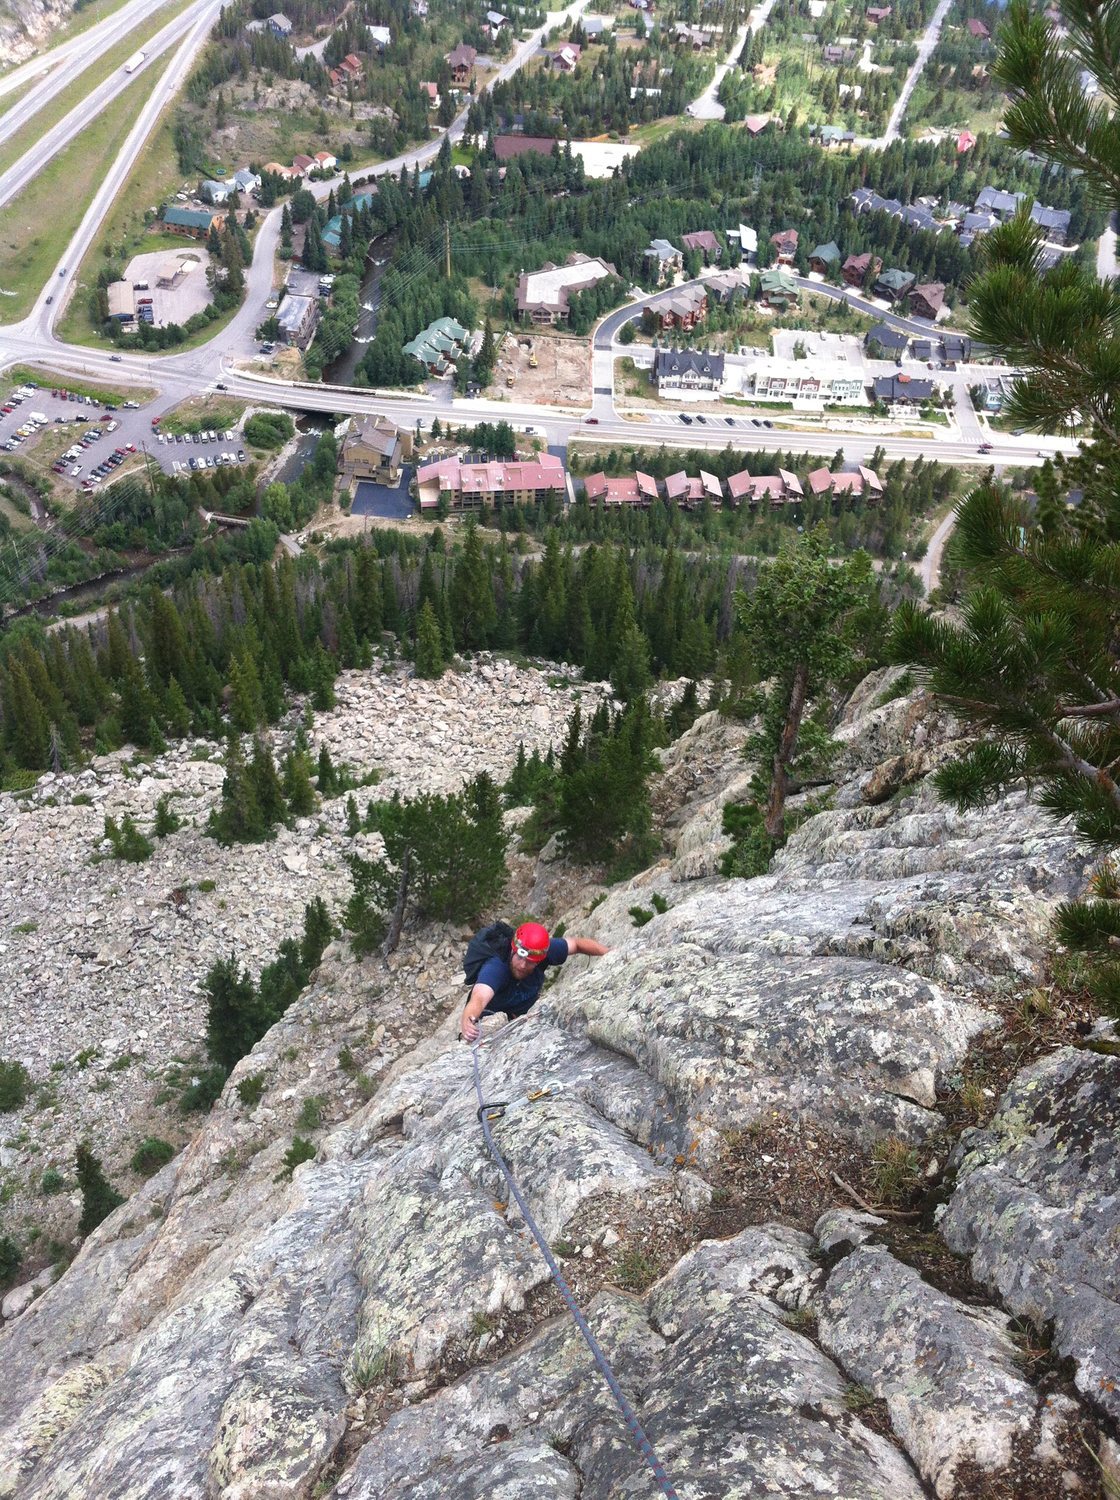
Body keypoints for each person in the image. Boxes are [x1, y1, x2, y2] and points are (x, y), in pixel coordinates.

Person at [459, 920, 610, 1041]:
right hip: (491, 1020)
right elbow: (479, 998)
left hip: (524, 1017)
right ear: (513, 950)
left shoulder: (541, 951)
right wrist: (469, 1020)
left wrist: (610, 954)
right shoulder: (496, 967)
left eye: (530, 962)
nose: (522, 965)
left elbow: (577, 944)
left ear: (539, 959)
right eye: (520, 957)